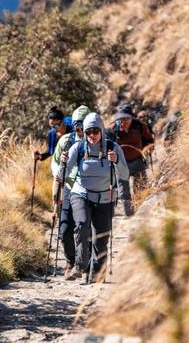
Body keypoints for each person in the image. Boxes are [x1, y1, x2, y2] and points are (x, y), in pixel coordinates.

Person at [62, 112, 129, 282]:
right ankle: (80, 265)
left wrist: (116, 162)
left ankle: (97, 275)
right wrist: (63, 163)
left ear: (101, 130)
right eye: (88, 132)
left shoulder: (113, 148)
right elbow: (64, 173)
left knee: (101, 238)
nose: (92, 135)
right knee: (82, 225)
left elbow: (125, 175)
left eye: (95, 131)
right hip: (81, 193)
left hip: (105, 197)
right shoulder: (78, 148)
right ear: (84, 132)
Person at [51, 105, 91, 278]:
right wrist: (59, 172)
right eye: (75, 124)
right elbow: (54, 161)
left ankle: (85, 263)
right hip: (68, 187)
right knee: (65, 228)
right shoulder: (65, 140)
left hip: (88, 189)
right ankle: (70, 260)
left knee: (83, 227)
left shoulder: (97, 140)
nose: (78, 128)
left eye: (81, 124)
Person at [108, 104, 154, 216]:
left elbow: (150, 141)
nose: (123, 122)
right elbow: (108, 144)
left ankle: (140, 213)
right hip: (121, 164)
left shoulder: (139, 126)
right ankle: (130, 216)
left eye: (126, 119)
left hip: (138, 161)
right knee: (124, 193)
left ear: (131, 118)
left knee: (141, 189)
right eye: (121, 119)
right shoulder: (114, 129)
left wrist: (148, 149)